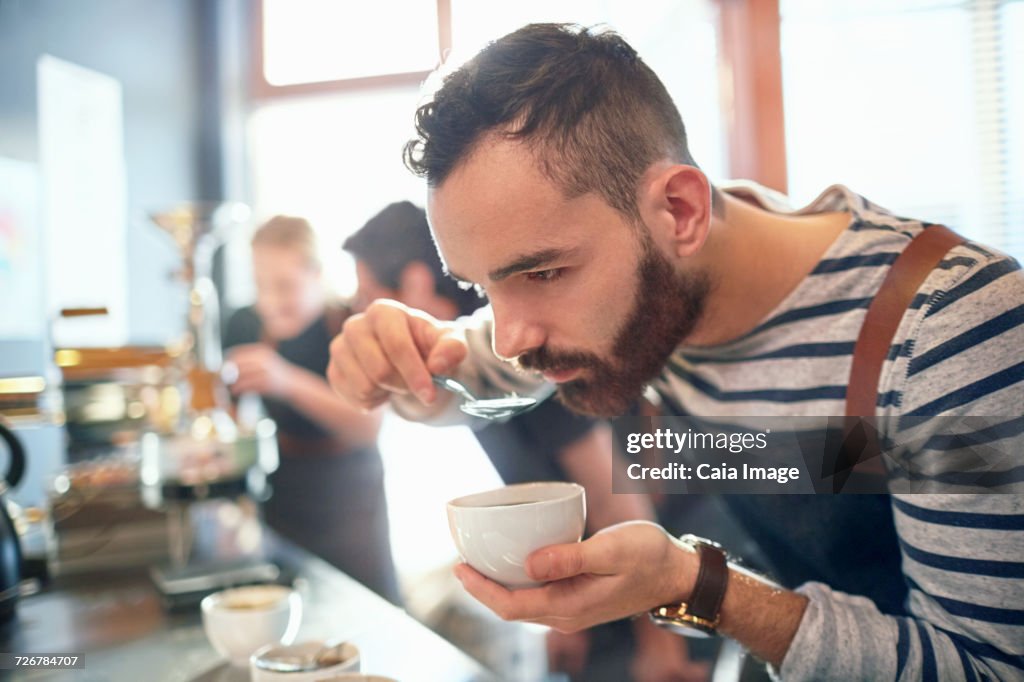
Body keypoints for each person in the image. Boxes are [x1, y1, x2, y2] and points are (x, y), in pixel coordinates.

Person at [326, 23, 1024, 682]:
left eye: (541, 273)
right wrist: (397, 362)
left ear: (680, 212)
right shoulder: (652, 296)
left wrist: (698, 590)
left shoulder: (950, 329)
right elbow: (467, 376)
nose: (509, 335)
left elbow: (988, 668)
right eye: (483, 286)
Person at [343, 201, 710, 682]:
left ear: (413, 284)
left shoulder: (532, 355)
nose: (358, 309)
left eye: (367, 294)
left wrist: (660, 639)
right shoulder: (475, 363)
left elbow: (612, 496)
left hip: (658, 576)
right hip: (602, 579)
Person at [224, 215, 400, 604]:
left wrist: (285, 380)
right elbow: (227, 421)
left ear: (317, 273)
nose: (269, 302)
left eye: (284, 286)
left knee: (365, 606)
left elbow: (367, 428)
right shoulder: (243, 325)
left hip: (348, 494)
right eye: (259, 286)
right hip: (283, 491)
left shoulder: (349, 323)